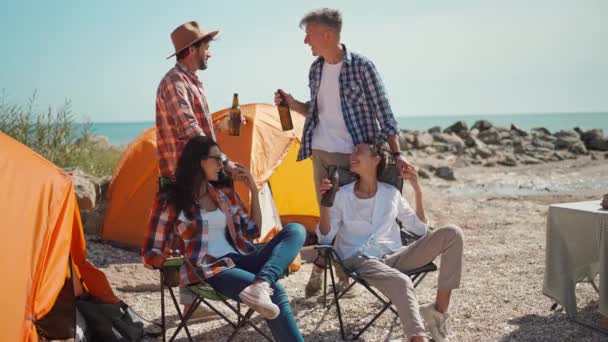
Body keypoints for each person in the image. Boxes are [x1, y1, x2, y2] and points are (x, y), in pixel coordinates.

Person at [274, 8, 414, 297]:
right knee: (326, 215)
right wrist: (291, 104)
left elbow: (383, 111)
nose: (306, 42)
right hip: (320, 153)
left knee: (346, 218)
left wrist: (396, 154)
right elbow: (316, 110)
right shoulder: (316, 69)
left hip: (352, 156)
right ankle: (334, 274)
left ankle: (342, 276)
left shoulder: (362, 67)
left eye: (309, 35)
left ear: (327, 34)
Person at [144, 136, 306, 341]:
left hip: (244, 257)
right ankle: (264, 286)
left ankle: (261, 283)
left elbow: (252, 230)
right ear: (199, 162)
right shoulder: (170, 198)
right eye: (217, 159)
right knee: (276, 292)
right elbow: (150, 251)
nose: (222, 164)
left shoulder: (224, 194)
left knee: (296, 230)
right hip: (210, 269)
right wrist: (165, 258)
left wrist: (254, 191)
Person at [317, 143, 464, 342]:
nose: (352, 155)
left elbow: (420, 230)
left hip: (395, 256)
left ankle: (437, 313)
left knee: (452, 233)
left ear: (376, 159)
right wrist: (325, 204)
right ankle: (417, 338)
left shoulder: (391, 193)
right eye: (351, 152)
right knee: (402, 281)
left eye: (358, 151)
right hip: (360, 260)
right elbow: (325, 238)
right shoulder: (341, 195)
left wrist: (417, 189)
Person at [147, 20, 237, 321]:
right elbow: (190, 130)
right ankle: (193, 305)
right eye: (206, 47)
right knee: (194, 233)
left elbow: (198, 129)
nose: (210, 53)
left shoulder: (190, 81)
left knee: (205, 232)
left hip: (197, 173)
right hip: (182, 176)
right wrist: (223, 162)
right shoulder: (174, 83)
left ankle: (198, 302)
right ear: (192, 49)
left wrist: (221, 130)